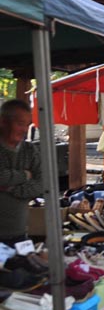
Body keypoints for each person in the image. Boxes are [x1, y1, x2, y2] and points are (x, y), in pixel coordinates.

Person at [0, 99, 43, 245]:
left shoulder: (30, 150)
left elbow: (41, 184)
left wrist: (10, 188)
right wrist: (24, 175)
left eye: (27, 124)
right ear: (3, 122)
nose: (24, 129)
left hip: (19, 233)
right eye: (20, 124)